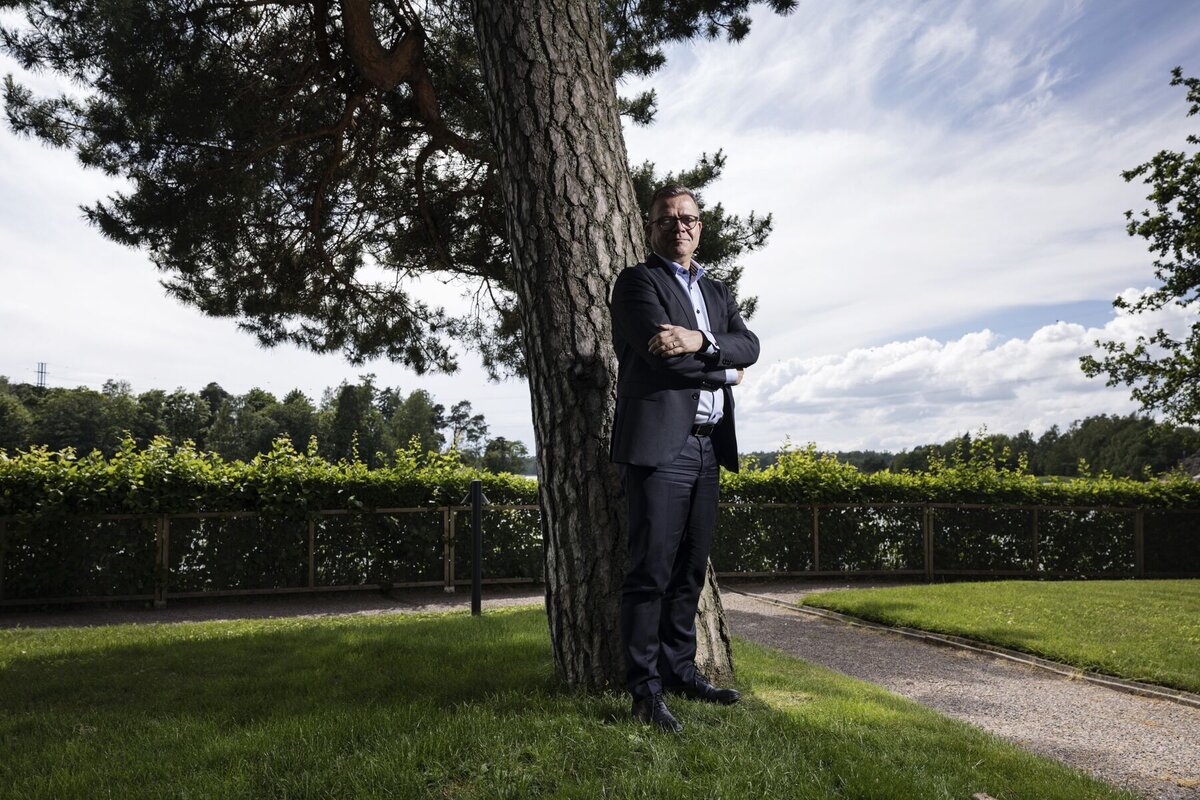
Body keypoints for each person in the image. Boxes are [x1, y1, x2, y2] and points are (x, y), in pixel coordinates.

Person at [608, 184, 760, 733]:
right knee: (649, 572)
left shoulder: (717, 290)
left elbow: (751, 344)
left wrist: (698, 341)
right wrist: (727, 370)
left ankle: (679, 672)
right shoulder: (636, 283)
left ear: (700, 227)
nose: (680, 227)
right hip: (658, 449)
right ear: (651, 229)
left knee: (689, 571)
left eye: (689, 218)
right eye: (668, 219)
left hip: (707, 447)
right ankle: (644, 692)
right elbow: (663, 361)